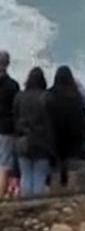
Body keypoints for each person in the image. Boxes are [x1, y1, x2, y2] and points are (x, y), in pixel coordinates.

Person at [45, 65, 85, 186]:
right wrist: (79, 86)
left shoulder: (50, 95)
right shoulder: (76, 95)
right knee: (73, 169)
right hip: (76, 139)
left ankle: (55, 195)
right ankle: (70, 195)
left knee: (56, 169)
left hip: (56, 138)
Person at [13, 67, 56, 199]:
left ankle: (26, 205)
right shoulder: (47, 97)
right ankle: (36, 206)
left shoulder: (19, 96)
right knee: (39, 175)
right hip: (41, 143)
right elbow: (52, 122)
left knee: (25, 175)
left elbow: (15, 117)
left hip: (23, 142)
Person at [0, 51, 19, 199]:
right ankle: (1, 194)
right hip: (6, 129)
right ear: (7, 64)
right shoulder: (12, 85)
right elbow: (16, 109)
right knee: (4, 164)